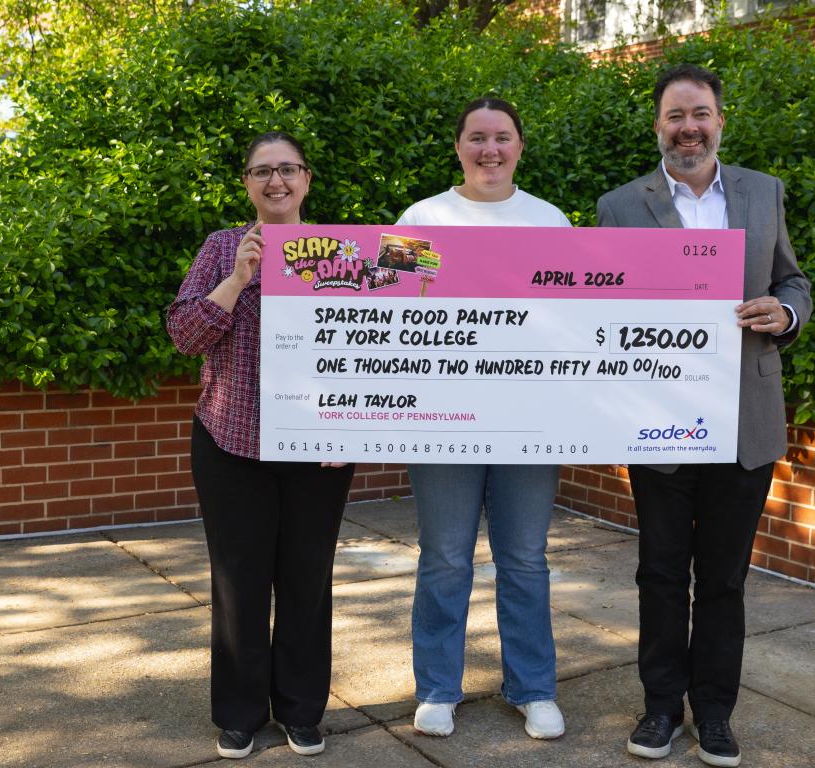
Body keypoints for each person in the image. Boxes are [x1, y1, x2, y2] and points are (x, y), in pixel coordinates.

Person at [597, 65, 812, 767]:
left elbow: (793, 281)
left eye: (700, 114)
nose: (688, 128)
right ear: (657, 125)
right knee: (660, 573)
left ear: (720, 120)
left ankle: (714, 711)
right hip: (659, 419)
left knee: (722, 577)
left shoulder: (763, 193)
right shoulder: (621, 206)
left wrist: (786, 313)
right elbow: (598, 307)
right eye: (674, 116)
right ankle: (661, 708)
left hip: (744, 418)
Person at [167, 131, 355, 760]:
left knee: (307, 579)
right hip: (230, 441)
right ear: (246, 182)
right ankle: (240, 713)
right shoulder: (222, 248)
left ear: (307, 178)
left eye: (289, 170)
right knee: (239, 582)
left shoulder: (345, 253)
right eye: (262, 172)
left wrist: (353, 425)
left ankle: (303, 711)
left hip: (318, 446)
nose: (276, 182)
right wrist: (238, 280)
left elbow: (373, 348)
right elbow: (185, 334)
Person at [396, 97, 570, 740]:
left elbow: (573, 326)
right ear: (458, 147)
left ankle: (533, 688)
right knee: (444, 557)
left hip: (530, 419)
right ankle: (438, 688)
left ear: (520, 146)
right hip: (443, 417)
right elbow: (392, 322)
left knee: (524, 557)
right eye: (476, 138)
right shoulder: (421, 219)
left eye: (502, 138)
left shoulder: (551, 223)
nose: (489, 150)